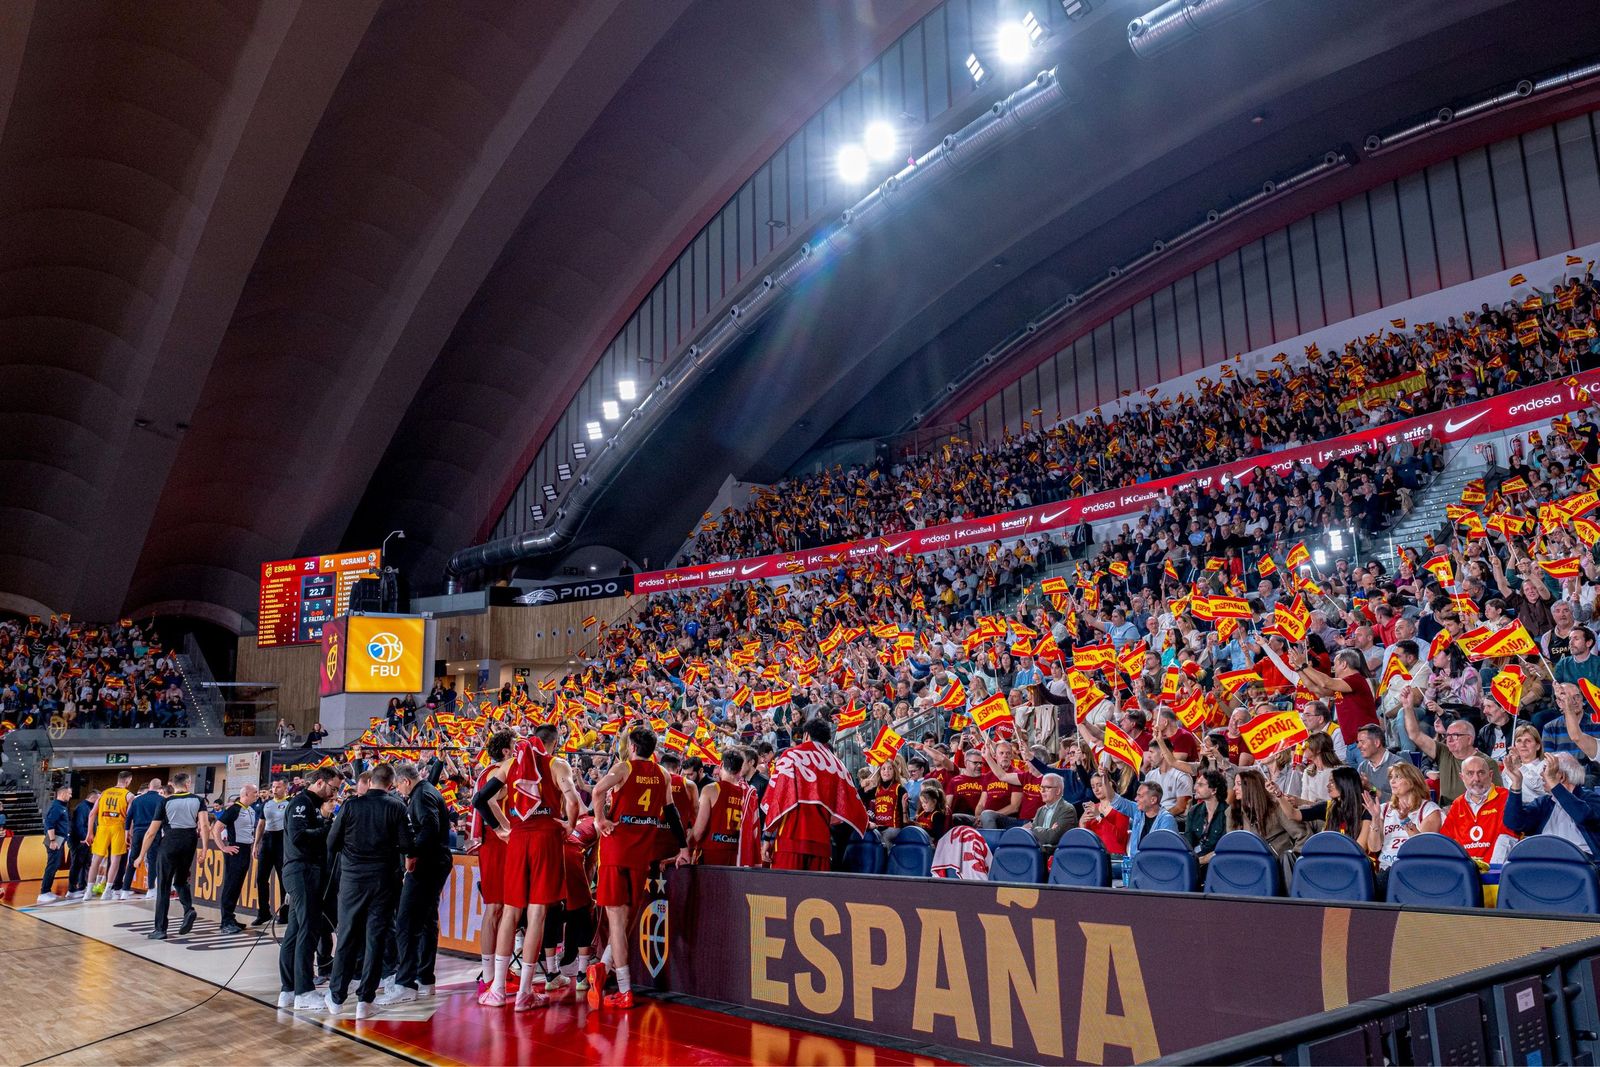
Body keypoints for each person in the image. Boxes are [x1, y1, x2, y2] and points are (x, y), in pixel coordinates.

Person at [590, 727, 691, 1010]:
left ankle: (623, 989)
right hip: (641, 854)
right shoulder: (663, 774)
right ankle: (602, 967)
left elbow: (597, 790)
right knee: (627, 920)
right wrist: (683, 847)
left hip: (616, 848)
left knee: (618, 922)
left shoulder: (624, 768)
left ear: (632, 746)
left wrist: (600, 820)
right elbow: (671, 812)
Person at [481, 727, 582, 1010]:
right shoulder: (558, 764)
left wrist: (502, 828)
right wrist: (569, 825)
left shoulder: (510, 764)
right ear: (553, 743)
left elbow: (482, 800)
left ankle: (498, 989)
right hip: (547, 838)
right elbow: (573, 802)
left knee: (510, 913)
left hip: (517, 838)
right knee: (537, 914)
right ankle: (525, 993)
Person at [325, 761, 415, 1019]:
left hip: (353, 880)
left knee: (347, 936)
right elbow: (408, 844)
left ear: (372, 781)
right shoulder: (397, 806)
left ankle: (336, 996)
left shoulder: (351, 805)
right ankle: (365, 1000)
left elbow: (332, 841)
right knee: (376, 938)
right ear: (390, 784)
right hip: (383, 881)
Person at [381, 761, 452, 1005]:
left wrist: (413, 854)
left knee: (406, 921)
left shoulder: (421, 796)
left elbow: (430, 827)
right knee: (426, 921)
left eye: (398, 786)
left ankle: (405, 982)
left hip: (427, 864)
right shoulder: (429, 791)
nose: (398, 791)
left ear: (405, 781)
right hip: (437, 861)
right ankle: (424, 978)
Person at [279, 768, 339, 1011]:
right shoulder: (302, 803)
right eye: (333, 788)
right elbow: (299, 837)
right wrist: (328, 827)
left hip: (307, 870)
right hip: (301, 870)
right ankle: (303, 990)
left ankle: (289, 989)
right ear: (321, 782)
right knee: (308, 928)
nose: (334, 793)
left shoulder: (313, 804)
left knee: (294, 931)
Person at [469, 729, 517, 996]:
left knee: (508, 909)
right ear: (506, 751)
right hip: (495, 845)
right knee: (495, 908)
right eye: (514, 745)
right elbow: (486, 801)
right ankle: (488, 976)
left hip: (501, 843)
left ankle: (500, 969)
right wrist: (505, 828)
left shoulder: (500, 770)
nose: (518, 749)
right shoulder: (495, 772)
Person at [135, 772, 209, 939]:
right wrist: (204, 849)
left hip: (170, 841)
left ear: (172, 785)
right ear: (188, 784)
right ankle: (188, 909)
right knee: (181, 880)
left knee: (163, 885)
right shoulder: (198, 800)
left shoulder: (165, 802)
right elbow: (204, 826)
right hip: (189, 841)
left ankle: (160, 929)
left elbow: (151, 832)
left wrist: (141, 855)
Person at [1504, 751, 1600, 855]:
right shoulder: (1544, 802)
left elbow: (1582, 816)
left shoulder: (1591, 799)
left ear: (1561, 777)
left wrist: (1553, 781)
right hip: (1546, 861)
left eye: (1546, 770)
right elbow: (1514, 823)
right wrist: (1516, 784)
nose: (1541, 774)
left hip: (1581, 863)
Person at [1361, 762, 1442, 881]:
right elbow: (1374, 848)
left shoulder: (1429, 809)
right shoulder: (1383, 809)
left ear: (1412, 781)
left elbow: (1423, 847)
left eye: (1398, 777)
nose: (1392, 781)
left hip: (1413, 870)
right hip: (1386, 868)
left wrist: (1404, 820)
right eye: (1391, 777)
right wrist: (1375, 818)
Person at [1402, 704, 1496, 806]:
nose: (1449, 739)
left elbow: (1497, 800)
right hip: (1447, 814)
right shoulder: (1443, 752)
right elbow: (1414, 734)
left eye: (1455, 735)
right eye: (1448, 735)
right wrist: (1408, 707)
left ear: (1469, 739)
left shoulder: (1487, 763)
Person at [1440, 755, 1516, 866]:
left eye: (1481, 772)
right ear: (1462, 777)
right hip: (1465, 873)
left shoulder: (1506, 797)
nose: (1476, 779)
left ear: (1490, 775)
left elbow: (1511, 837)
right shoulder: (1458, 804)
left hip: (1496, 872)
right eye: (1470, 773)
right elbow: (1446, 842)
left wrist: (1494, 870)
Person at [692, 749, 755, 866]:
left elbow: (698, 832)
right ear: (741, 769)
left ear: (721, 765)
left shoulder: (710, 789)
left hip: (712, 854)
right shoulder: (748, 793)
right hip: (738, 855)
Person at [214, 783, 260, 934]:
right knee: (231, 885)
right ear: (245, 794)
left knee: (237, 886)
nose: (257, 794)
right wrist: (223, 847)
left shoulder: (251, 811)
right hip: (235, 850)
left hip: (245, 849)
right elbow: (217, 828)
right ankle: (225, 921)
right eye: (254, 792)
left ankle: (230, 917)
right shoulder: (234, 809)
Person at [86, 770, 133, 900]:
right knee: (115, 861)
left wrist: (90, 832)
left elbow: (91, 814)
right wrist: (129, 834)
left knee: (95, 861)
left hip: (102, 827)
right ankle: (107, 891)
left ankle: (88, 892)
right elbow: (129, 818)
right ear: (128, 781)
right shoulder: (129, 795)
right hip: (118, 828)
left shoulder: (103, 793)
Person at [255, 779, 292, 925]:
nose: (275, 789)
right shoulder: (267, 803)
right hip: (267, 839)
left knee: (283, 879)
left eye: (278, 787)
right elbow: (261, 824)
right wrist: (256, 843)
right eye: (273, 786)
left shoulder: (290, 802)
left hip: (282, 839)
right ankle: (264, 912)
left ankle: (285, 914)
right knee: (261, 878)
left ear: (285, 788)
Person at [121, 778, 164, 899]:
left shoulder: (137, 800)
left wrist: (126, 834)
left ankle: (125, 890)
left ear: (149, 786)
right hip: (153, 832)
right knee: (152, 860)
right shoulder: (162, 800)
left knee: (133, 859)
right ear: (160, 788)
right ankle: (151, 889)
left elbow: (128, 818)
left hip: (138, 832)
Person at [1184, 770, 1228, 864]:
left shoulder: (1227, 813)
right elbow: (1188, 842)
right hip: (1195, 860)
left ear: (1214, 790)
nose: (1195, 788)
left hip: (1217, 862)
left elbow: (1225, 847)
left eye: (1200, 785)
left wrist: (1201, 860)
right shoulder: (1193, 811)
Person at [37, 784, 72, 903]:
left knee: (55, 865)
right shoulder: (57, 807)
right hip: (54, 838)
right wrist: (52, 840)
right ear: (62, 794)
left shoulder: (62, 806)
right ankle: (43, 892)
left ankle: (47, 891)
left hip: (59, 838)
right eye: (69, 793)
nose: (71, 796)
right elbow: (49, 823)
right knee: (52, 866)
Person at [1028, 773, 1078, 849]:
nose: (1042, 791)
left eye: (1047, 787)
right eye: (1041, 787)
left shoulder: (1067, 809)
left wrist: (1036, 829)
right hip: (1038, 854)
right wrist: (1047, 830)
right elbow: (1032, 835)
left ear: (1058, 791)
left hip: (1056, 856)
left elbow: (1053, 838)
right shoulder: (1040, 810)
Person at [67, 788, 97, 899]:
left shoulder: (89, 807)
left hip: (85, 840)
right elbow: (78, 825)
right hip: (79, 840)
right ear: (93, 797)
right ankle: (71, 889)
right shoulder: (83, 808)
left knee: (85, 863)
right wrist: (85, 838)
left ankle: (82, 886)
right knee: (77, 864)